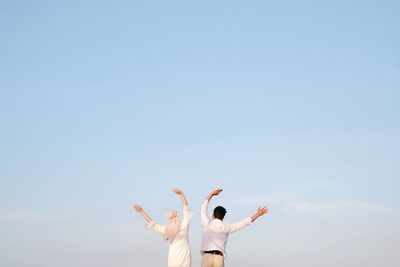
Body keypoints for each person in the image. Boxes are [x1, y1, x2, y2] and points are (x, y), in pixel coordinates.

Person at [200, 188, 268, 267]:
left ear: (213, 215)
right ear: (223, 218)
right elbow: (243, 223)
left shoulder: (207, 224)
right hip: (219, 257)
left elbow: (203, 207)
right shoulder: (226, 228)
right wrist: (257, 214)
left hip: (206, 257)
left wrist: (212, 194)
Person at [134, 188, 193, 267]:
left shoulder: (166, 230)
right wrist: (181, 194)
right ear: (177, 218)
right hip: (185, 262)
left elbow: (152, 224)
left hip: (172, 262)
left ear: (168, 220)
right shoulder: (183, 227)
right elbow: (186, 211)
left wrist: (141, 212)